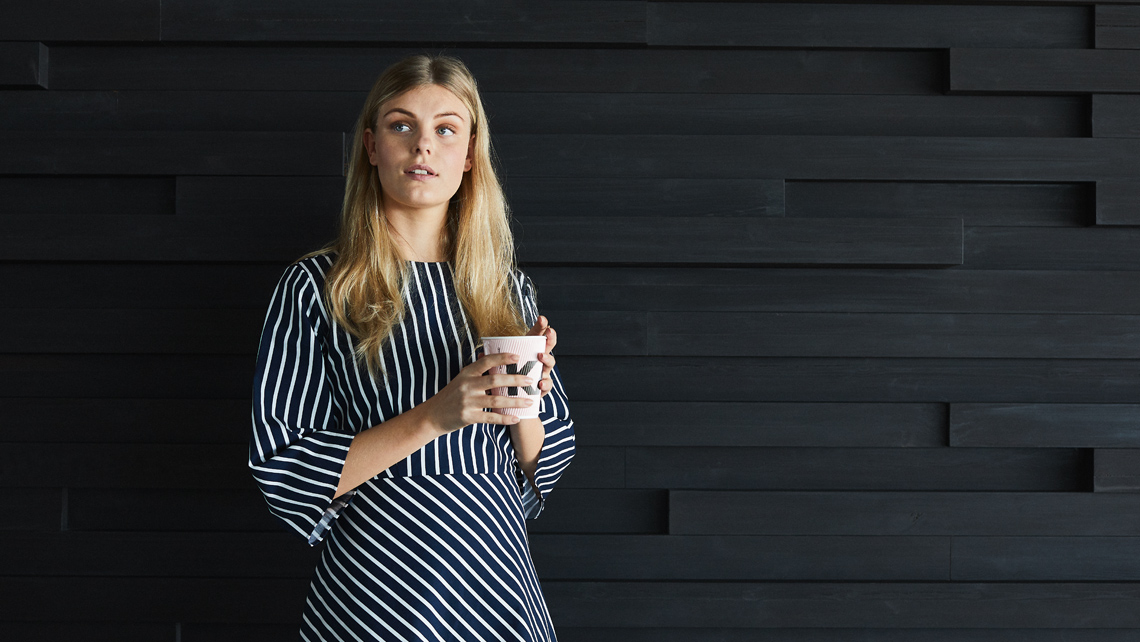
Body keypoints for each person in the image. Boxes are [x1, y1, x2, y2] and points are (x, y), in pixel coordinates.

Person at [249, 53, 575, 641]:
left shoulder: (503, 289)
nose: (423, 146)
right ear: (372, 146)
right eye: (402, 126)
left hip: (495, 587)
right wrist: (436, 415)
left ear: (470, 154)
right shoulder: (317, 288)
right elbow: (283, 468)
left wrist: (528, 393)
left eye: (446, 129)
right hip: (374, 593)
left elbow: (542, 467)